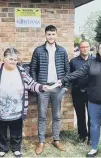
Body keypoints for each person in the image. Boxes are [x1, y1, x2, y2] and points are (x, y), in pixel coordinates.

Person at [56, 40, 101, 157]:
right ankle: (94, 148)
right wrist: (62, 80)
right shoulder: (92, 62)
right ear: (97, 50)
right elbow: (78, 73)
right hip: (94, 101)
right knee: (94, 125)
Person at [0, 48, 49, 157]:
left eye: (15, 59)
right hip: (0, 108)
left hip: (17, 108)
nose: (13, 61)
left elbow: (31, 84)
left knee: (16, 128)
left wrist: (41, 87)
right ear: (4, 58)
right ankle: (2, 148)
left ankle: (16, 148)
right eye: (10, 59)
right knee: (0, 128)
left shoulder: (21, 70)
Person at [30, 25, 70, 155]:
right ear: (45, 35)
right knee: (42, 115)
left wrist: (64, 86)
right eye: (49, 34)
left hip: (57, 88)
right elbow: (33, 69)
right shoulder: (38, 50)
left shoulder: (62, 51)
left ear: (56, 35)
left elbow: (67, 69)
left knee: (57, 116)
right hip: (43, 87)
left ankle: (56, 139)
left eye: (53, 34)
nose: (51, 36)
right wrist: (37, 85)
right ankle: (41, 141)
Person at [69, 40, 94, 144]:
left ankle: (91, 137)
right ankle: (82, 135)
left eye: (87, 47)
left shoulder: (95, 60)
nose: (85, 49)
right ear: (79, 48)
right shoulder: (73, 61)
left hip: (92, 93)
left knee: (92, 116)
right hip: (78, 92)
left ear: (89, 48)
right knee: (80, 115)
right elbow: (70, 75)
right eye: (82, 47)